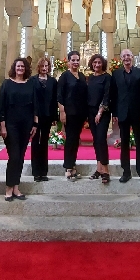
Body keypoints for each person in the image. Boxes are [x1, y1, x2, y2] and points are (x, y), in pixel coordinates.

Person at [0, 58, 38, 201]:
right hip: (11, 125)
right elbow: (1, 106)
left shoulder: (31, 84)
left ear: (26, 68)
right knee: (14, 156)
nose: (20, 68)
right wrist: (2, 125)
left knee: (20, 156)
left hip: (26, 125)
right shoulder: (7, 84)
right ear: (14, 68)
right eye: (18, 66)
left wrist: (35, 125)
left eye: (22, 66)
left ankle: (16, 187)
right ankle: (9, 187)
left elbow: (35, 106)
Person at [111, 49, 140, 185]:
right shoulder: (116, 74)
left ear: (132, 57)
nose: (126, 58)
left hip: (137, 113)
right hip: (122, 113)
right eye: (124, 56)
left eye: (128, 55)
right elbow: (113, 95)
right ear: (121, 58)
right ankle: (126, 171)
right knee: (124, 143)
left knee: (139, 143)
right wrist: (114, 113)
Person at [57, 50, 88, 181]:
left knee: (75, 140)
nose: (75, 62)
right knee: (70, 139)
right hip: (69, 112)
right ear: (68, 61)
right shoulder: (64, 76)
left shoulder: (81, 76)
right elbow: (59, 96)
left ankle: (73, 165)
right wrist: (62, 112)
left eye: (77, 60)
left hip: (80, 113)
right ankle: (68, 167)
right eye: (73, 60)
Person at [31, 57, 58, 182]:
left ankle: (43, 171)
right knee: (36, 142)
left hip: (47, 115)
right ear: (39, 67)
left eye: (47, 66)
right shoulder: (32, 80)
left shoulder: (53, 81)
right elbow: (31, 99)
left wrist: (54, 117)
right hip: (36, 116)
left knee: (44, 142)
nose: (44, 68)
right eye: (42, 66)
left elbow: (54, 100)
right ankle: (36, 172)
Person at [86, 53, 112, 184]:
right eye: (95, 63)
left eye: (99, 63)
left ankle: (106, 170)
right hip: (91, 113)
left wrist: (100, 112)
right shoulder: (90, 78)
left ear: (103, 64)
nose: (97, 65)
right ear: (91, 64)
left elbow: (107, 96)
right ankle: (99, 169)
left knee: (101, 139)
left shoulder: (107, 77)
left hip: (102, 113)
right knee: (96, 140)